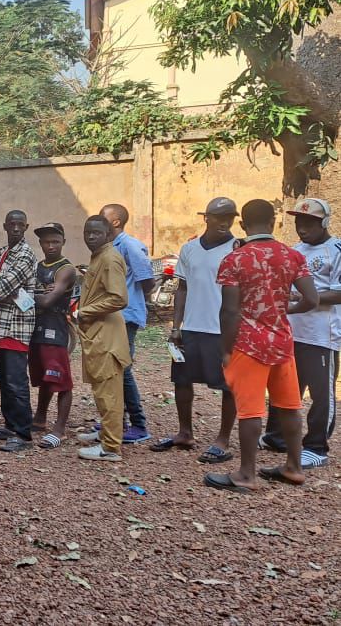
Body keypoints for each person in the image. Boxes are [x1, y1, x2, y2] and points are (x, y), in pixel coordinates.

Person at [204, 199, 318, 493]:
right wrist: (284, 309)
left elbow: (230, 311)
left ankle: (246, 474)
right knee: (290, 407)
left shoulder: (235, 259)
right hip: (282, 343)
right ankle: (294, 467)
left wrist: (225, 349)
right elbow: (312, 299)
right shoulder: (293, 256)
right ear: (273, 223)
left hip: (248, 344)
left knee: (250, 410)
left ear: (242, 224)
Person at [151, 198, 238, 462]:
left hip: (221, 329)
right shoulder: (189, 249)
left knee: (228, 385)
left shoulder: (237, 249)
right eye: (219, 216)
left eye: (230, 217)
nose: (225, 222)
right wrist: (176, 326)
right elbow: (183, 288)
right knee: (182, 379)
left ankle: (222, 439)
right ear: (206, 218)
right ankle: (184, 432)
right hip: (191, 327)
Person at [259, 198, 340, 470]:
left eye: (309, 222)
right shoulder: (294, 251)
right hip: (291, 331)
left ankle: (317, 446)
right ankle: (276, 437)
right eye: (299, 221)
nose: (302, 227)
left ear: (324, 222)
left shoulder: (336, 250)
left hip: (321, 335)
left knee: (321, 393)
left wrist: (305, 296)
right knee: (283, 385)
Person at [76, 215, 132, 462]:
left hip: (107, 334)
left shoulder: (109, 258)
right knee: (101, 388)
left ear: (108, 234)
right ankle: (107, 433)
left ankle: (110, 447)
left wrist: (84, 312)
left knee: (108, 391)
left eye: (96, 233)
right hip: (98, 332)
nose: (90, 237)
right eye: (87, 232)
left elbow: (119, 298)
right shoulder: (98, 256)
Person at [100, 203, 155, 444]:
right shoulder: (109, 246)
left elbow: (147, 280)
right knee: (110, 369)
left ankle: (138, 424)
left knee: (122, 368)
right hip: (111, 315)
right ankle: (116, 421)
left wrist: (129, 296)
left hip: (126, 316)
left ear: (116, 222)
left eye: (103, 217)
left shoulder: (130, 246)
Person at [0, 210, 37, 452]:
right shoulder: (3, 252)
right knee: (4, 379)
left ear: (26, 227)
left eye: (20, 225)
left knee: (16, 381)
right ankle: (10, 424)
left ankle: (23, 433)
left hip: (16, 326)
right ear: (5, 226)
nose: (16, 228)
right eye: (12, 224)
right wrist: (0, 289)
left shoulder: (26, 254)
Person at [29, 222, 76, 449]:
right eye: (46, 242)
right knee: (44, 376)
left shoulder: (66, 269)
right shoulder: (38, 267)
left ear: (63, 242)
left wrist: (28, 295)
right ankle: (39, 419)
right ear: (40, 243)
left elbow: (48, 300)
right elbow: (40, 297)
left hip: (55, 328)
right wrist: (37, 295)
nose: (50, 246)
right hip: (36, 327)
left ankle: (60, 429)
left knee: (61, 379)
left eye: (55, 241)